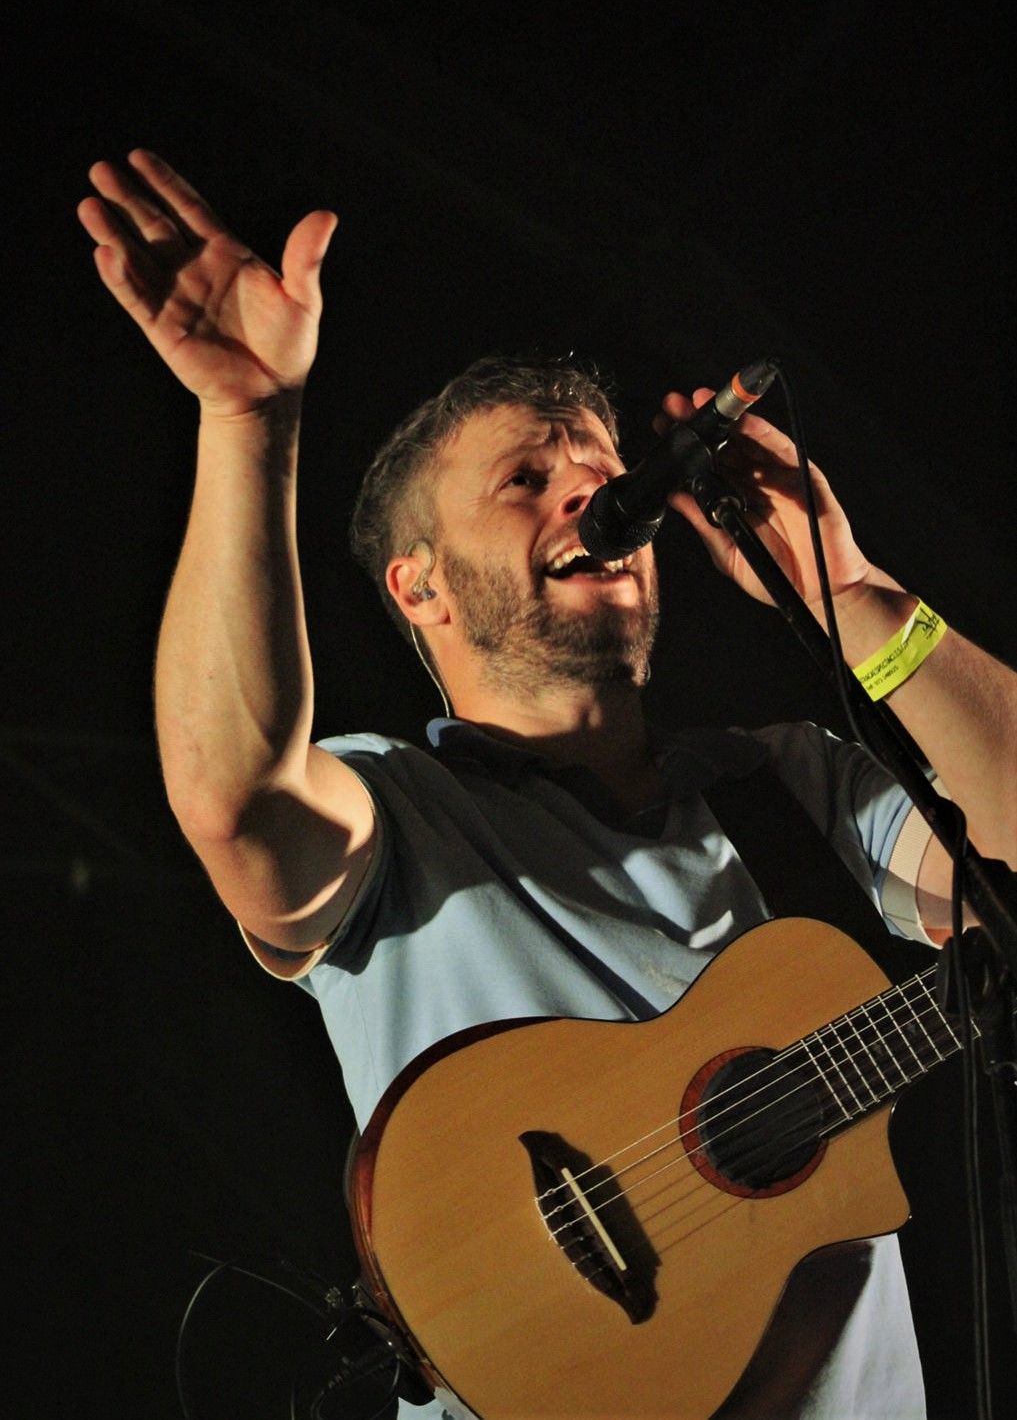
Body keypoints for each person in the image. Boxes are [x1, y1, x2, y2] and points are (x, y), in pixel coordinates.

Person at [78, 151, 1016, 1420]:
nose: (588, 487)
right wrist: (250, 423)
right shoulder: (397, 811)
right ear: (423, 586)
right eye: (526, 478)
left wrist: (858, 601)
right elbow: (234, 798)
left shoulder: (792, 779)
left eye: (596, 465)